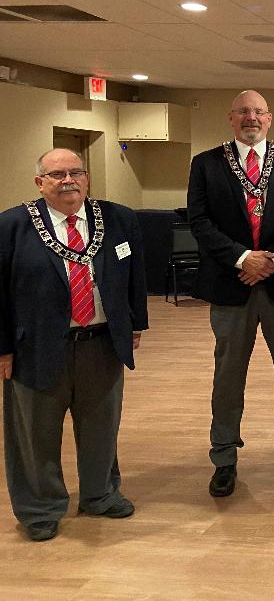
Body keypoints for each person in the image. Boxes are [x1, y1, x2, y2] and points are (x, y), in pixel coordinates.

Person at [0, 149, 147, 541]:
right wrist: (3, 349)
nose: (69, 181)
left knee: (101, 425)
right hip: (36, 347)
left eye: (76, 172)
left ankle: (100, 494)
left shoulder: (118, 219)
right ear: (40, 182)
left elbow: (134, 276)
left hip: (101, 344)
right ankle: (40, 508)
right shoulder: (12, 225)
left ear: (87, 177)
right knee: (36, 433)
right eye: (57, 174)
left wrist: (136, 325)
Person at [187, 90, 274, 498]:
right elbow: (199, 220)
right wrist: (244, 258)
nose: (251, 117)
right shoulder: (206, 164)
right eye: (244, 111)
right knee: (228, 375)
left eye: (258, 112)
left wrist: (269, 260)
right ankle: (224, 456)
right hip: (232, 285)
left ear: (270, 118)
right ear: (231, 118)